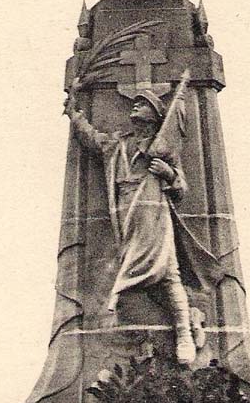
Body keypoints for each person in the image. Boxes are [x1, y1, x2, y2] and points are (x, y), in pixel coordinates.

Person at [64, 78, 221, 365]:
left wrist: (168, 174)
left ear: (155, 115)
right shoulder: (117, 145)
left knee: (168, 271)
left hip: (154, 211)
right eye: (136, 101)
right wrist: (74, 112)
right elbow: (91, 137)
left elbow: (182, 188)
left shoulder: (163, 150)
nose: (136, 104)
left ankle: (184, 333)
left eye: (144, 103)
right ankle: (191, 319)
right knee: (139, 268)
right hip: (127, 213)